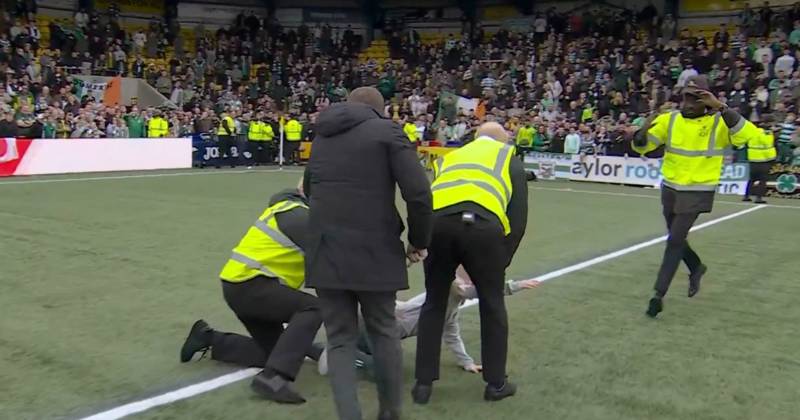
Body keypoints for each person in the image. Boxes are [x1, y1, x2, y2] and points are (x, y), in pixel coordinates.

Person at [305, 86, 433, 420]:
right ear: (381, 109)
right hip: (375, 249)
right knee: (383, 331)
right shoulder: (389, 132)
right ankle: (390, 413)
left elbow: (308, 188)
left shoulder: (322, 135)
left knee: (340, 340)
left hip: (325, 249)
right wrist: (419, 241)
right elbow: (418, 193)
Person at [413, 122, 528, 405]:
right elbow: (518, 217)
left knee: (434, 303)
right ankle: (495, 383)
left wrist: (423, 239)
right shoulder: (508, 158)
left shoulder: (450, 157)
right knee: (492, 305)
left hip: (438, 225)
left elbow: (429, 198)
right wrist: (503, 259)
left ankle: (423, 384)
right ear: (503, 141)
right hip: (483, 227)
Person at [631, 76, 762, 318]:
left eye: (696, 98)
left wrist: (722, 107)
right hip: (670, 188)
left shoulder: (719, 123)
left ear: (707, 100)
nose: (689, 103)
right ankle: (696, 267)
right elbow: (643, 147)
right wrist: (644, 128)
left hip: (698, 191)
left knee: (674, 241)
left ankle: (657, 295)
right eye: (686, 97)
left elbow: (749, 135)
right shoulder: (669, 119)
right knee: (675, 237)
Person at [179, 184, 323, 404]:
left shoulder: (289, 209)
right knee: (313, 308)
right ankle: (272, 378)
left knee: (275, 354)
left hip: (240, 286)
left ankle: (208, 338)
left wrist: (314, 351)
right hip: (252, 286)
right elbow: (335, 260)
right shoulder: (298, 215)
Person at [326, 267, 540, 377]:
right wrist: (514, 286)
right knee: (385, 371)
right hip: (373, 328)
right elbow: (474, 291)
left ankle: (327, 350)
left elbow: (453, 337)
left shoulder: (450, 314)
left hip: (381, 332)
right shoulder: (447, 287)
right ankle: (347, 355)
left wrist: (466, 362)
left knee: (390, 364)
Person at [743, 128, 777, 203]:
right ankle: (759, 198)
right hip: (764, 160)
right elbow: (766, 143)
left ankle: (746, 196)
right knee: (763, 180)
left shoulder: (751, 132)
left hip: (753, 158)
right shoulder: (767, 133)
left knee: (752, 179)